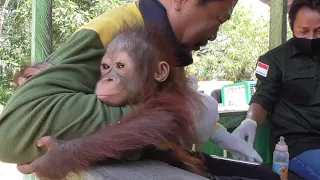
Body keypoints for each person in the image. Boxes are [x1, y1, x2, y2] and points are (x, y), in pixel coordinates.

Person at [0, 0, 276, 179]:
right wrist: (76, 149)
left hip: (167, 157)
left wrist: (219, 134)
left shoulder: (168, 43)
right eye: (218, 19)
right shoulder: (115, 32)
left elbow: (174, 113)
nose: (215, 33)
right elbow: (11, 134)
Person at [231, 0, 320, 179]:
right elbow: (263, 97)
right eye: (304, 31)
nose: (311, 37)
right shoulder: (274, 60)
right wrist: (250, 121)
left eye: (318, 31)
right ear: (292, 26)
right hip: (298, 147)